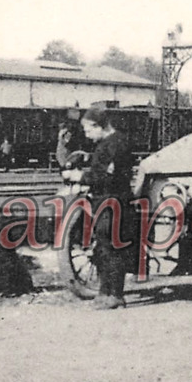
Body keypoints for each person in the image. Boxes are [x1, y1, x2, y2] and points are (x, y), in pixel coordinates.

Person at [63, 107, 136, 310]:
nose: (86, 134)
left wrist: (81, 177)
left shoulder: (117, 143)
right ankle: (105, 293)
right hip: (103, 202)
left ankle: (116, 295)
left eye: (87, 130)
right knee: (103, 247)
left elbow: (108, 177)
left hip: (114, 202)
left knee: (113, 247)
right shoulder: (107, 143)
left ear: (98, 126)